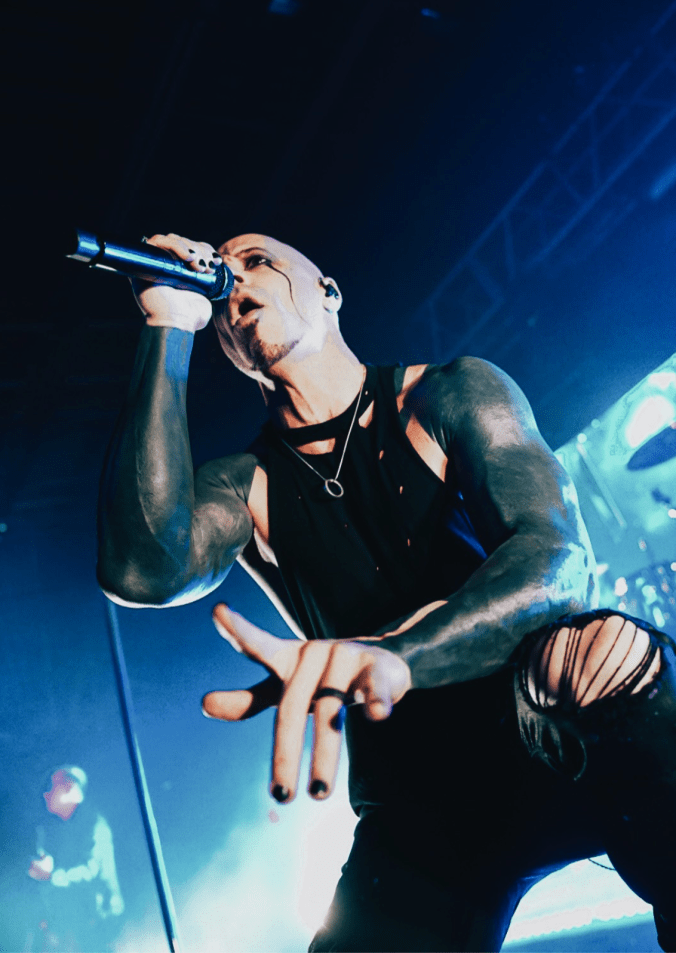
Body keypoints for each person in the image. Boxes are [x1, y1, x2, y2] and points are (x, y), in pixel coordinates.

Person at [97, 231, 676, 952]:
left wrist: (396, 654)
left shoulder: (449, 392)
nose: (235, 283)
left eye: (258, 262)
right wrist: (169, 322)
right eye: (223, 281)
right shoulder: (245, 486)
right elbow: (141, 570)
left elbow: (554, 560)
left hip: (558, 719)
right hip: (420, 803)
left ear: (328, 292)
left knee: (616, 656)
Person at [26, 765, 124, 951]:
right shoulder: (55, 829)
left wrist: (51, 875)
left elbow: (90, 870)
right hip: (74, 925)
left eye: (51, 787)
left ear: (70, 788)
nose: (45, 794)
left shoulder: (94, 825)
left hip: (97, 922)